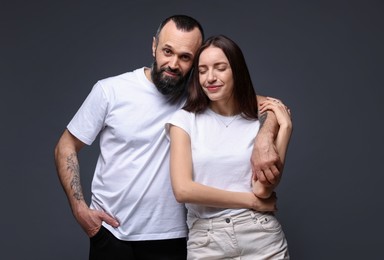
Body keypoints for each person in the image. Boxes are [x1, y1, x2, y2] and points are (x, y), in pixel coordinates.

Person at [54, 15, 284, 260]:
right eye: (167, 51)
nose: (173, 63)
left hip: (173, 237)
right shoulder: (111, 91)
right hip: (112, 233)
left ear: (195, 61)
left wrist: (265, 137)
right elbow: (65, 146)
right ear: (154, 46)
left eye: (185, 57)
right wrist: (80, 209)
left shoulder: (201, 97)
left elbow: (270, 106)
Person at [167, 35, 292, 259]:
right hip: (207, 241)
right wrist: (251, 201)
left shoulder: (259, 120)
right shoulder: (184, 120)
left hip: (261, 236)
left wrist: (285, 130)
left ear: (237, 70)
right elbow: (183, 189)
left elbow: (263, 190)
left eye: (220, 68)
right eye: (202, 70)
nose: (210, 78)